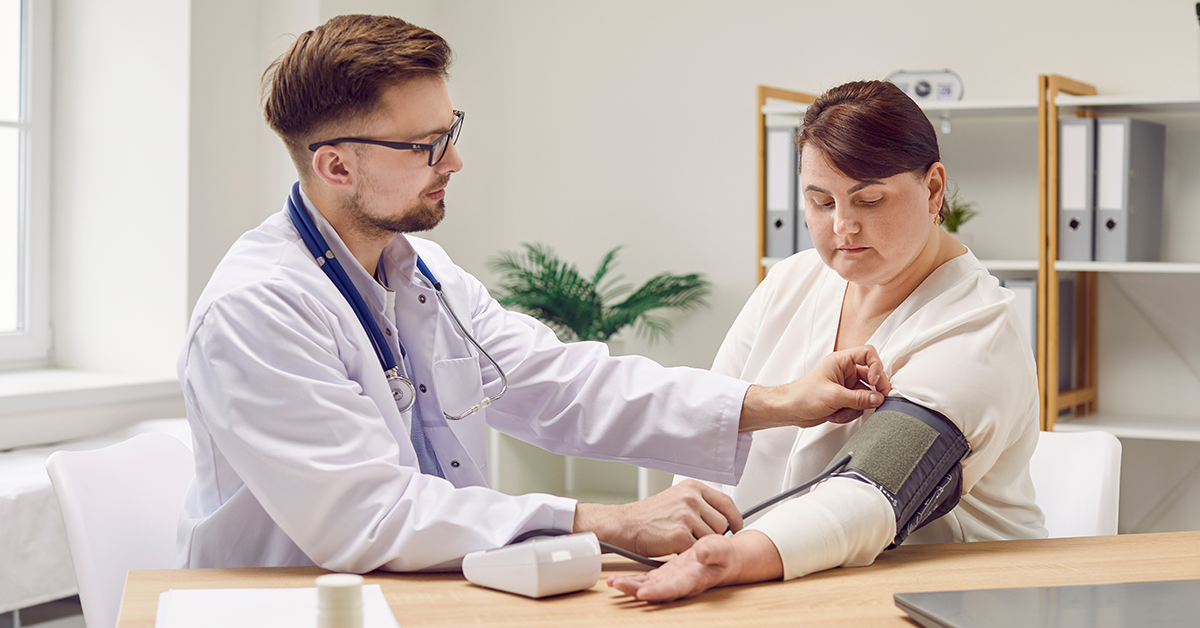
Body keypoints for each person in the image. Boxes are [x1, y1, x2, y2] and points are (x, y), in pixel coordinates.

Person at [176, 15, 892, 574]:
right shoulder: (257, 311)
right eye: (426, 145)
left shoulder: (422, 273)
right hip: (291, 604)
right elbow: (369, 516)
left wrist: (776, 403)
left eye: (450, 130)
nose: (454, 160)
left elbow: (561, 383)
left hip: (418, 591)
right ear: (335, 165)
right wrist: (604, 520)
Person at [609, 80, 1045, 603]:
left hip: (942, 600)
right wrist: (689, 533)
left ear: (933, 190)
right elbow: (714, 419)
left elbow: (874, 489)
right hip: (769, 582)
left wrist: (732, 558)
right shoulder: (792, 281)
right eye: (820, 202)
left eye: (869, 198)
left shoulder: (977, 329)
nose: (842, 225)